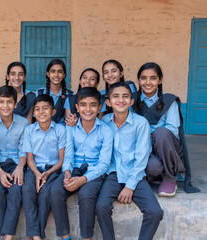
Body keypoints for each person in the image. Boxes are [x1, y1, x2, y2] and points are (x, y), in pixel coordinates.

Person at [96, 82, 163, 240]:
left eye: (125, 96)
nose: (121, 100)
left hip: (136, 174)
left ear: (131, 101)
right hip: (112, 174)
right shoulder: (104, 121)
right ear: (108, 102)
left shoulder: (140, 123)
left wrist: (130, 186)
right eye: (116, 96)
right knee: (101, 206)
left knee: (155, 212)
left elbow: (141, 158)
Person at [50, 87, 113, 240]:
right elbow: (69, 155)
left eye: (93, 105)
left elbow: (104, 164)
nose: (88, 109)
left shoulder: (106, 131)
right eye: (83, 105)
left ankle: (86, 237)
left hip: (94, 171)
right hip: (75, 168)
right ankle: (65, 236)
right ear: (77, 107)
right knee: (56, 191)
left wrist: (83, 180)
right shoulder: (71, 128)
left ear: (100, 107)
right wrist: (67, 172)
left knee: (86, 195)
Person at [134, 62, 200, 195]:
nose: (148, 82)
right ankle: (155, 175)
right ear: (139, 80)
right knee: (153, 168)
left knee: (162, 132)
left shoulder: (169, 101)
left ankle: (170, 178)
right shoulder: (132, 100)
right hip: (141, 148)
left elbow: (173, 131)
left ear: (160, 80)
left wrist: (149, 134)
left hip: (165, 146)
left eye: (153, 78)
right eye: (143, 78)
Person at [0, 86, 29, 240]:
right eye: (2, 102)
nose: (6, 106)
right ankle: (5, 234)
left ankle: (8, 237)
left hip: (17, 165)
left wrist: (19, 168)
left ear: (15, 104)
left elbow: (24, 149)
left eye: (9, 102)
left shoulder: (24, 123)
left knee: (16, 191)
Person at [22, 94, 66, 239]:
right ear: (34, 113)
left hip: (53, 170)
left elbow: (61, 160)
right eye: (37, 109)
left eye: (45, 108)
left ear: (53, 112)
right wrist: (37, 174)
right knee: (28, 190)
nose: (41, 112)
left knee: (45, 194)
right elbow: (29, 159)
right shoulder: (29, 130)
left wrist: (47, 173)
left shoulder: (60, 130)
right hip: (34, 169)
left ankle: (37, 235)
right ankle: (35, 235)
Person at [36, 59, 73, 124]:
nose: (56, 75)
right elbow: (37, 118)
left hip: (63, 132)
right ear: (48, 74)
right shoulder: (40, 93)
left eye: (60, 72)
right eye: (53, 71)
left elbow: (69, 120)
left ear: (64, 75)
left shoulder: (70, 95)